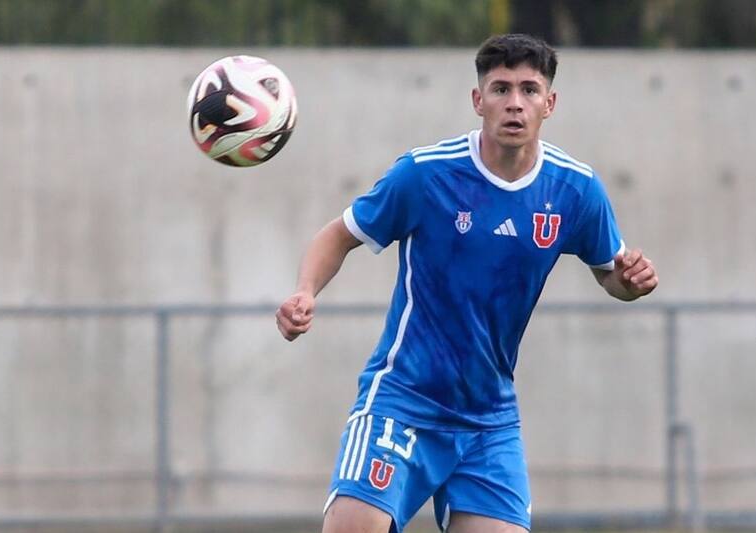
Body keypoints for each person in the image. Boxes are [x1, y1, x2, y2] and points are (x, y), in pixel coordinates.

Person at [275, 33, 658, 533]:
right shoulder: (425, 174)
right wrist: (305, 291)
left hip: (488, 419)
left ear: (550, 103)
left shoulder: (575, 189)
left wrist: (630, 283)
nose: (514, 103)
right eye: (500, 89)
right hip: (402, 403)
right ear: (478, 101)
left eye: (529, 89)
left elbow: (612, 273)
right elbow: (340, 234)